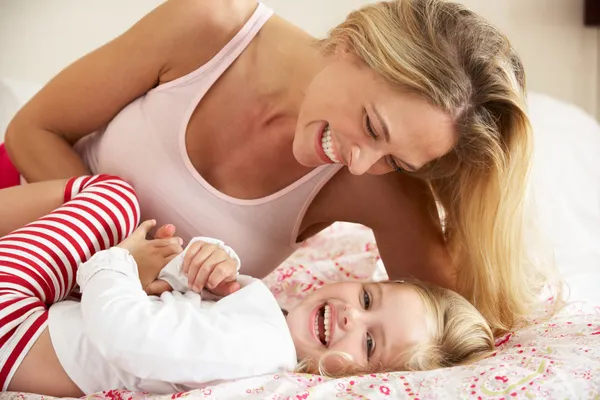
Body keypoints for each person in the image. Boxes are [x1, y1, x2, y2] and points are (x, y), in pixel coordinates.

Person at [3, 0, 554, 334]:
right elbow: (33, 129)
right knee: (110, 197)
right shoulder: (210, 26)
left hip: (67, 321)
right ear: (356, 44)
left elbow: (459, 317)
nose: (360, 163)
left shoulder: (374, 188)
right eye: (373, 125)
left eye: (396, 160)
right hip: (18, 212)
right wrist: (122, 258)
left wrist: (487, 196)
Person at [0, 176, 494, 397]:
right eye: (367, 299)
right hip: (36, 323)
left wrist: (117, 263)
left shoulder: (258, 350)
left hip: (15, 330)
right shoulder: (269, 327)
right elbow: (182, 316)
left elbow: (126, 336)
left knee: (113, 198)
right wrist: (199, 268)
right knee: (117, 203)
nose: (351, 317)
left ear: (359, 380)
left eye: (369, 341)